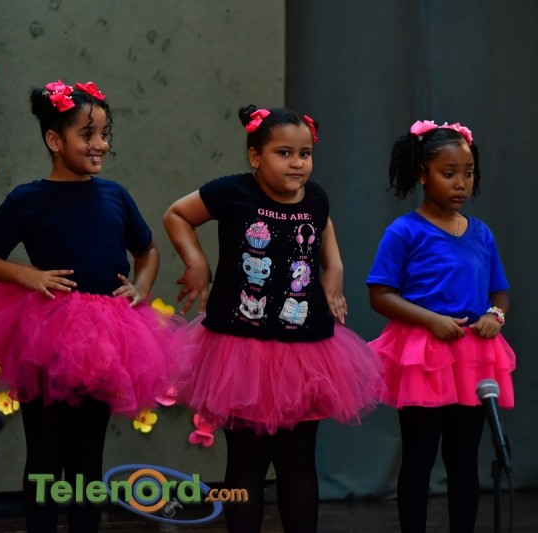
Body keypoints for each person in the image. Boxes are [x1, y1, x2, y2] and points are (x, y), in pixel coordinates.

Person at [0, 80, 179, 533]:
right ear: (55, 141)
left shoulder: (114, 195)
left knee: (87, 456)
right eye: (87, 134)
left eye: (103, 134)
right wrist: (27, 275)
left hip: (106, 338)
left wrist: (141, 286)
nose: (100, 144)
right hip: (48, 335)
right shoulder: (28, 199)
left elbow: (148, 249)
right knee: (44, 453)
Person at [164, 106, 382, 533]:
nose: (297, 163)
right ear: (255, 156)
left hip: (306, 350)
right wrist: (197, 263)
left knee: (298, 460)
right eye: (284, 153)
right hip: (241, 349)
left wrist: (334, 267)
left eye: (305, 153)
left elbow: (322, 224)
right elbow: (178, 214)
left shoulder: (315, 196)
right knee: (246, 461)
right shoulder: (232, 192)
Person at [367, 120, 516, 533]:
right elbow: (380, 295)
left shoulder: (481, 233)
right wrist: (431, 320)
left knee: (464, 459)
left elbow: (499, 293)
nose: (461, 183)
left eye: (468, 173)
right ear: (422, 174)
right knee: (419, 458)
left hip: (472, 357)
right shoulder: (404, 231)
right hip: (423, 356)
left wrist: (495, 316)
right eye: (448, 173)